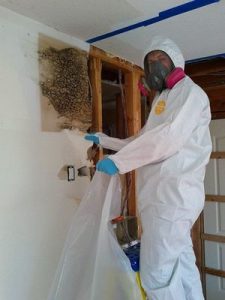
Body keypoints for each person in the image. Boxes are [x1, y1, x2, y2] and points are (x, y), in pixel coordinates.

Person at [85, 36, 212, 300]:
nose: (155, 66)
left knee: (156, 274)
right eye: (150, 62)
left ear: (176, 62)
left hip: (171, 198)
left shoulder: (189, 93)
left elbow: (167, 139)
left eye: (161, 59)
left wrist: (120, 163)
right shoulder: (163, 99)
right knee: (182, 265)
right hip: (165, 198)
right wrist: (106, 141)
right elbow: (145, 139)